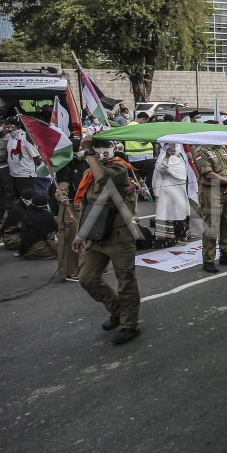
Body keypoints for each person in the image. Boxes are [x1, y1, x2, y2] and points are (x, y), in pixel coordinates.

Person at [72, 135, 141, 344]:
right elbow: (87, 204)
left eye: (101, 147)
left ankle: (130, 324)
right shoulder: (88, 173)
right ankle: (117, 310)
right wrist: (80, 233)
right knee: (87, 277)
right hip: (95, 235)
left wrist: (89, 151)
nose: (98, 150)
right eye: (95, 147)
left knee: (125, 279)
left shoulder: (119, 169)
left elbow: (104, 178)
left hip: (119, 234)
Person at [191, 142, 227, 274]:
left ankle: (225, 254)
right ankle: (208, 260)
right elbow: (209, 174)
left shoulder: (221, 148)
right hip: (211, 192)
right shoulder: (201, 151)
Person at [152, 143, 197, 245]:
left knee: (181, 212)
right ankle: (171, 239)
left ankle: (183, 235)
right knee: (172, 213)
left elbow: (183, 170)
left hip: (180, 187)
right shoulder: (163, 155)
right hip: (169, 188)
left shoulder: (180, 155)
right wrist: (167, 157)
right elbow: (160, 169)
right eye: (169, 144)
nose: (172, 146)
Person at [124, 111, 157, 197]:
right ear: (143, 119)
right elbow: (143, 140)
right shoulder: (138, 127)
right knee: (152, 174)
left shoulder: (129, 126)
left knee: (137, 177)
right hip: (143, 157)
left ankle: (140, 192)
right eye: (146, 121)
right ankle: (149, 192)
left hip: (132, 157)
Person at [7, 125, 42, 198]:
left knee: (26, 198)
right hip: (14, 174)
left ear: (14, 126)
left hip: (25, 174)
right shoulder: (11, 137)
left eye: (8, 126)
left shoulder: (26, 137)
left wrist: (38, 169)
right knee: (19, 198)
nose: (6, 128)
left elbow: (35, 156)